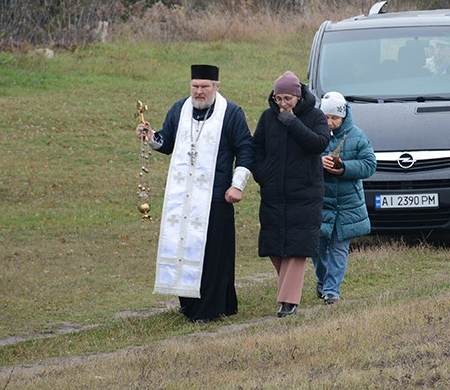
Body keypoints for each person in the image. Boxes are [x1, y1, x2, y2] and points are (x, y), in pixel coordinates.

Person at [135, 64, 254, 323]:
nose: (199, 92)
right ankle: (189, 305)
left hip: (216, 196)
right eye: (195, 86)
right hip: (184, 197)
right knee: (184, 249)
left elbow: (246, 149)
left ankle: (209, 310)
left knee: (213, 254)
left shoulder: (231, 113)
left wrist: (238, 185)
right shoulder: (180, 109)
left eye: (204, 87)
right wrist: (150, 136)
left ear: (216, 87)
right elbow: (167, 142)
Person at [251, 70, 330, 317]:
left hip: (305, 193)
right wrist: (263, 175)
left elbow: (319, 143)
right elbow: (256, 150)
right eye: (278, 99)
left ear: (298, 96)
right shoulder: (267, 118)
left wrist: (293, 123)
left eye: (288, 99)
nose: (283, 104)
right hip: (274, 193)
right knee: (275, 246)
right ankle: (288, 293)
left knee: (297, 247)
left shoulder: (315, 116)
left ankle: (288, 302)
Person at [313, 91, 376, 305]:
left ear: (343, 116)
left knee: (339, 248)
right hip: (321, 200)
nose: (330, 122)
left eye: (334, 118)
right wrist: (318, 164)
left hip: (346, 204)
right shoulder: (314, 135)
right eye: (326, 118)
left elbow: (369, 165)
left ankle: (332, 290)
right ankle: (322, 280)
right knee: (318, 248)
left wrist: (344, 168)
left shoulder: (357, 136)